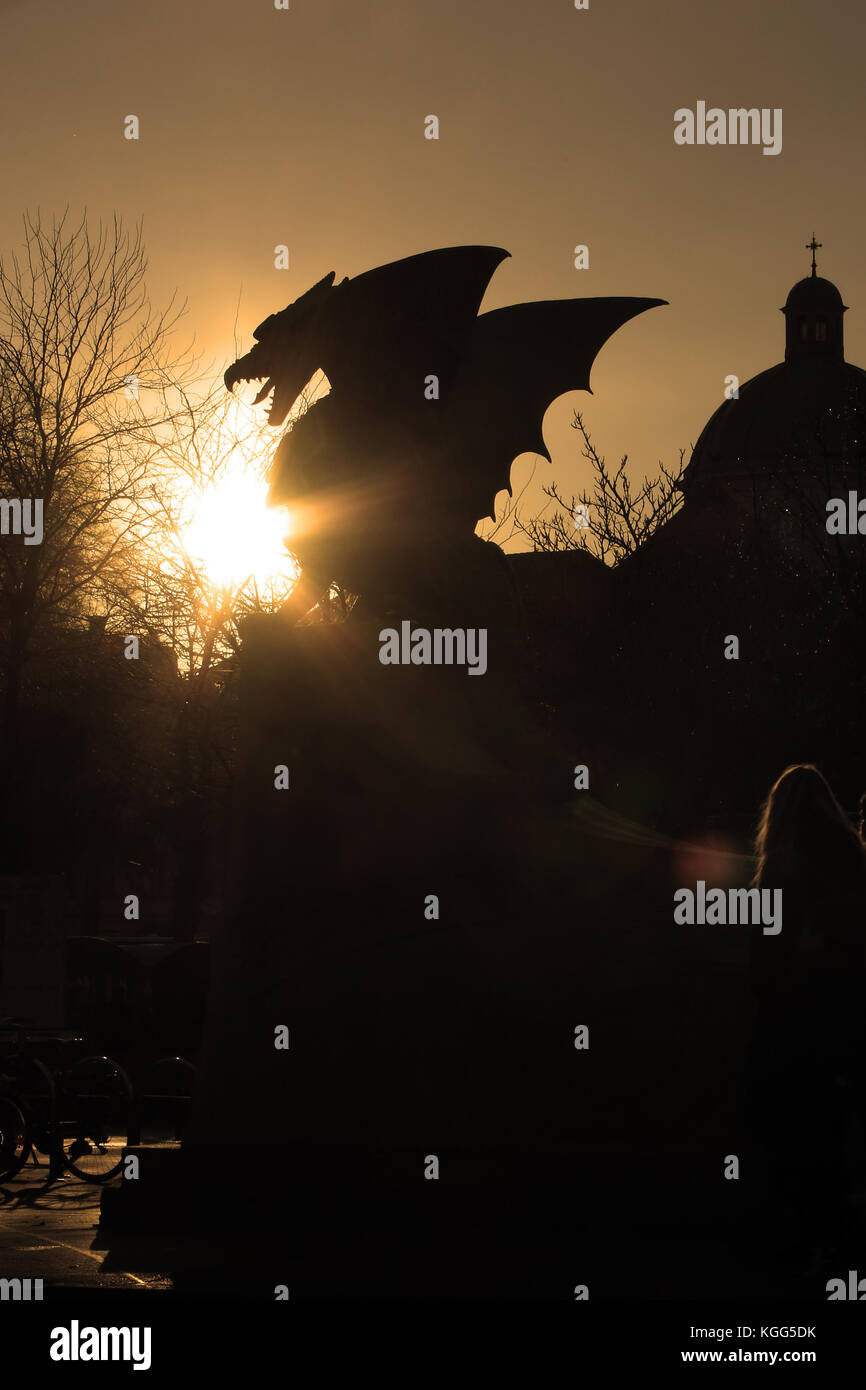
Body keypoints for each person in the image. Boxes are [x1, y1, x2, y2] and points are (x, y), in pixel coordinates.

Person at [744, 764, 866, 1250]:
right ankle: (827, 1225)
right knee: (827, 1117)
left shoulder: (782, 861)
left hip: (794, 1008)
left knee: (789, 1116)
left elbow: (765, 949)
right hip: (838, 1005)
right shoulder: (847, 855)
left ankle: (803, 1226)